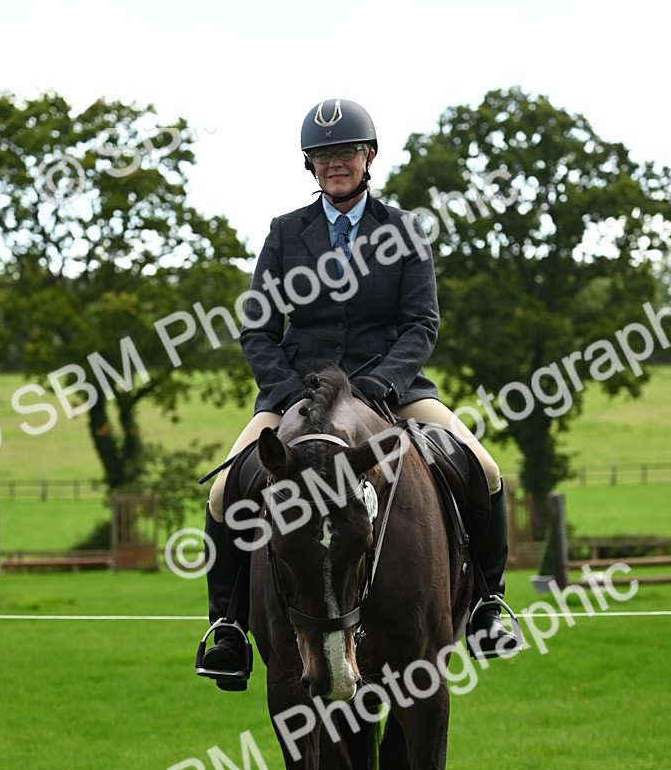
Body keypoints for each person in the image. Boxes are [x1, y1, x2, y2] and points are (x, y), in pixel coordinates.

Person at [197, 98, 519, 690]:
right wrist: (290, 392)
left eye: (345, 152)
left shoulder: (403, 230)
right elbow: (258, 330)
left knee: (485, 469)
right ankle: (228, 628)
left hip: (391, 390)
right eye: (323, 156)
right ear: (310, 165)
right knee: (222, 492)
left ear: (369, 156)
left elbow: (421, 324)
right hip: (300, 396)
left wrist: (377, 384)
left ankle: (487, 606)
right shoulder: (285, 233)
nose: (335, 164)